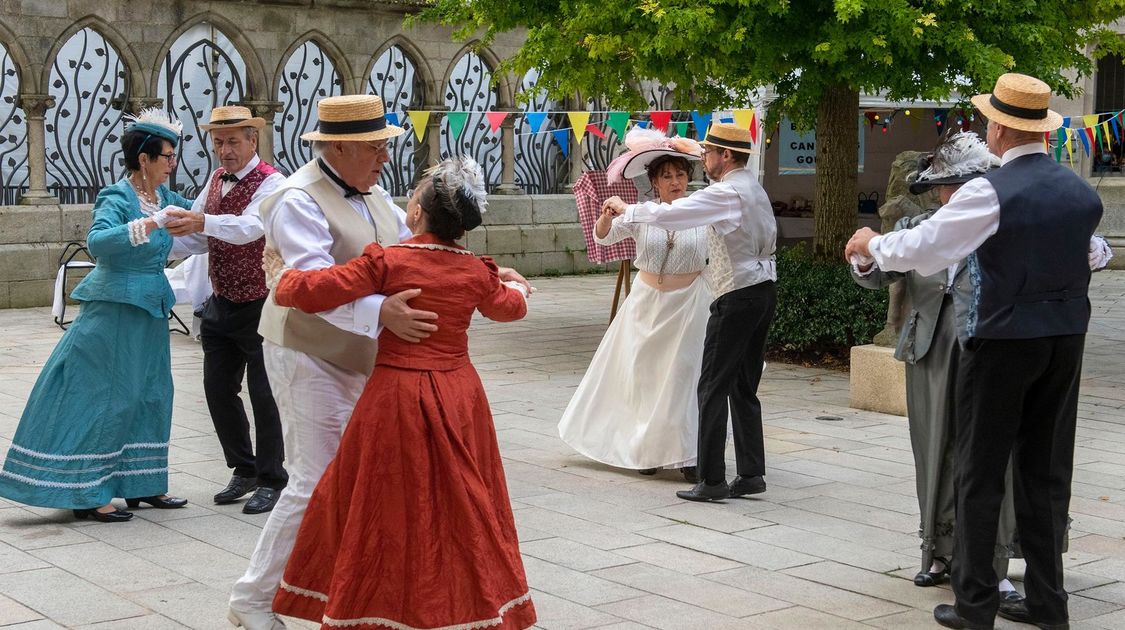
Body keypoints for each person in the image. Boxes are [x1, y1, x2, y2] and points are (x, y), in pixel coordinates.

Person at [227, 95, 530, 630]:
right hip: (308, 351)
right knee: (317, 478)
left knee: (354, 479)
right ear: (338, 145)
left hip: (367, 356)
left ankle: (343, 594)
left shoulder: (375, 195)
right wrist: (381, 311)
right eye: (374, 147)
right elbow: (313, 279)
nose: (385, 158)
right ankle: (253, 598)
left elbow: (419, 247)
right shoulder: (295, 198)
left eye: (385, 147)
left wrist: (479, 271)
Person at [846, 73, 1104, 630]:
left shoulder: (992, 189)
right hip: (1065, 341)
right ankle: (1046, 601)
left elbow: (927, 244)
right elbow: (1093, 254)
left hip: (1002, 341)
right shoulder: (1081, 192)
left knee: (979, 472)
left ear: (1000, 130)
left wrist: (872, 243)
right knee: (1043, 472)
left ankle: (976, 603)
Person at [0, 109, 193, 522]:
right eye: (168, 156)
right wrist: (151, 224)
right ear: (144, 159)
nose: (173, 163)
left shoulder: (171, 200)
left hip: (152, 307)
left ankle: (143, 484)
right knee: (109, 396)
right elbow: (100, 243)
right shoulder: (117, 197)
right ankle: (89, 490)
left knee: (152, 392)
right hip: (114, 309)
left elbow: (205, 218)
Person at [852, 131, 1020, 597]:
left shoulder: (999, 225)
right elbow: (879, 272)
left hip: (983, 343)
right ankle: (940, 553)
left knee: (986, 454)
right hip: (927, 345)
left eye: (958, 185)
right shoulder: (918, 226)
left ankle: (992, 562)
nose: (949, 196)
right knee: (932, 449)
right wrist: (863, 261)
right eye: (944, 187)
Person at [603, 122, 778, 502]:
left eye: (709, 153)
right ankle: (751, 473)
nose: (705, 159)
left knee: (712, 384)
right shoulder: (753, 187)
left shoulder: (728, 192)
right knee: (742, 386)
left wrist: (627, 210)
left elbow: (673, 214)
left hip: (738, 296)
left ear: (726, 156)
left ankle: (712, 479)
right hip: (764, 292)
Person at [558, 128, 709, 482]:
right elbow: (603, 236)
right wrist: (607, 216)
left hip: (688, 305)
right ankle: (645, 449)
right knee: (643, 377)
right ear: (654, 181)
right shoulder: (641, 212)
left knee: (682, 379)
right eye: (666, 176)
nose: (675, 181)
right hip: (646, 304)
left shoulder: (701, 211)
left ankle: (688, 455)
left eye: (680, 174)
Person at [162, 105, 288, 515]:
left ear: (253, 139)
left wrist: (201, 223)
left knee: (264, 393)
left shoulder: (273, 183)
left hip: (261, 302)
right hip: (221, 301)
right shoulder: (216, 179)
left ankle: (273, 478)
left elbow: (251, 228)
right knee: (217, 389)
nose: (225, 150)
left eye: (233, 141)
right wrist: (159, 244)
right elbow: (200, 238)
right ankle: (244, 467)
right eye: (218, 142)